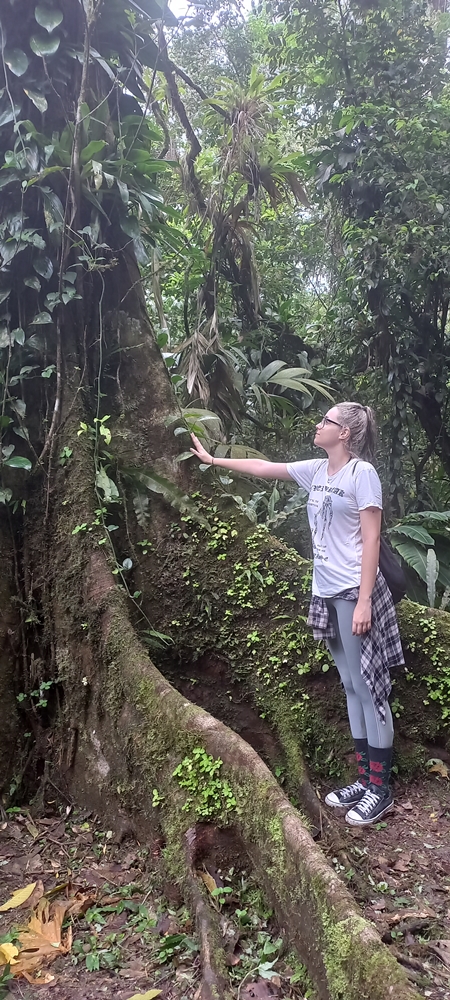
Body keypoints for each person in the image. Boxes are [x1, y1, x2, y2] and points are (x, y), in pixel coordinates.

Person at [190, 402, 404, 827]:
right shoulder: (317, 470)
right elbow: (264, 467)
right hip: (324, 590)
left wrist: (363, 601)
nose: (319, 424)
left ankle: (380, 789)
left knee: (368, 685)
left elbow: (372, 537)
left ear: (344, 433)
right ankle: (364, 780)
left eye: (327, 421)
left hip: (352, 590)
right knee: (348, 683)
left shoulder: (362, 475)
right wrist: (214, 460)